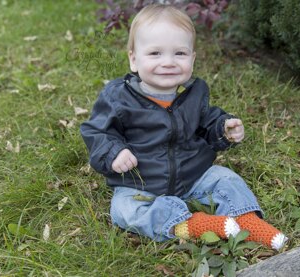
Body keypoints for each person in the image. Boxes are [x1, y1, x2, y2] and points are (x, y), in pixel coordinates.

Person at [80, 4, 287, 250]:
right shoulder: (118, 98)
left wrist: (223, 128)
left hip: (193, 175)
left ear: (192, 58)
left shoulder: (194, 93)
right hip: (140, 184)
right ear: (133, 59)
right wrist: (114, 152)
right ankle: (190, 225)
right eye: (155, 53)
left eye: (179, 54)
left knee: (226, 179)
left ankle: (246, 220)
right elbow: (97, 132)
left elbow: (206, 121)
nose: (168, 62)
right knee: (124, 210)